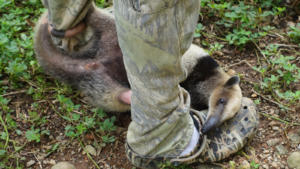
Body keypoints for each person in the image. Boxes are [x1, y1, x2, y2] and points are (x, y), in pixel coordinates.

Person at [38, 0, 259, 168]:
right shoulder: (206, 70)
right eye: (220, 102)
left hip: (98, 51)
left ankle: (69, 24)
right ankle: (162, 134)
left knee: (76, 22)